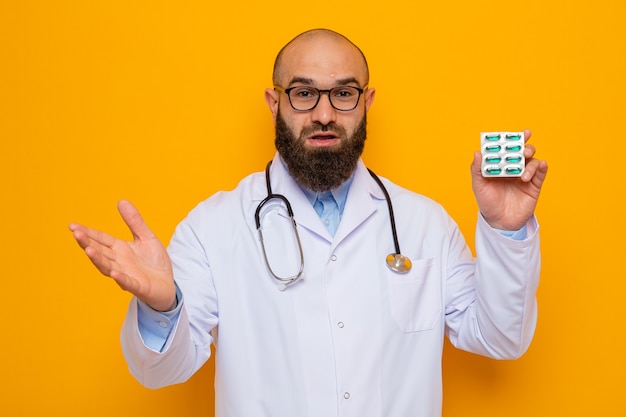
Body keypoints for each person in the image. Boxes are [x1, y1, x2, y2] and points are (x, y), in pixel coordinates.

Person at [70, 28, 549, 417]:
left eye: (343, 93)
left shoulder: (424, 224)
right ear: (274, 102)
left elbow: (501, 338)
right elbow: (160, 373)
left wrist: (505, 230)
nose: (324, 114)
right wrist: (163, 308)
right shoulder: (213, 227)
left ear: (367, 101)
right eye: (303, 94)